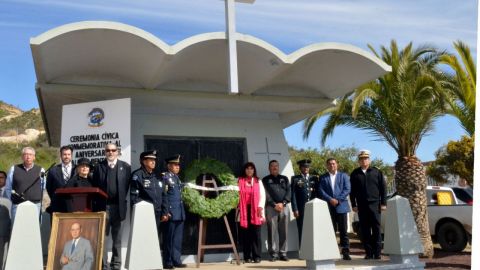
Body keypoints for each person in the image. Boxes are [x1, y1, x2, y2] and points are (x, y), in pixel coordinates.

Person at [92, 143, 131, 270]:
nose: (110, 152)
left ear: (117, 152)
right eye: (108, 150)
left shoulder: (125, 167)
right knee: (102, 239)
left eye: (113, 150)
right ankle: (103, 265)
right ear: (105, 152)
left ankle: (116, 265)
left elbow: (126, 187)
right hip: (103, 207)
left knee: (117, 239)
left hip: (118, 208)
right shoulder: (99, 167)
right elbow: (95, 186)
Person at [349, 150, 386, 260]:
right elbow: (352, 191)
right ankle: (369, 253)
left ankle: (378, 253)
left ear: (369, 160)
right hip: (362, 206)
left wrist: (383, 203)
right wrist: (353, 204)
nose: (363, 161)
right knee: (365, 230)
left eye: (365, 158)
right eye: (361, 159)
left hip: (375, 205)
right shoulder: (355, 173)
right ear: (359, 161)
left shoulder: (376, 172)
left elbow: (383, 188)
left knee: (376, 229)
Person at [130, 151, 168, 247]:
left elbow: (164, 195)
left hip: (158, 213)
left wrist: (165, 212)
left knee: (156, 239)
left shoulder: (158, 176)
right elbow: (134, 197)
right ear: (144, 161)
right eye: (150, 160)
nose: (153, 162)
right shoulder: (137, 175)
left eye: (154, 160)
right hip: (145, 214)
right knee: (144, 240)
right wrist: (144, 210)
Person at [317, 158, 352, 260]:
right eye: (329, 164)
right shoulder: (323, 178)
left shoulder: (344, 176)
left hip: (341, 206)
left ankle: (345, 251)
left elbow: (347, 189)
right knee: (331, 230)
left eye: (333, 163)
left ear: (337, 164)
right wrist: (330, 199)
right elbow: (321, 190)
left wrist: (337, 200)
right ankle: (331, 251)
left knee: (343, 231)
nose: (332, 165)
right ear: (327, 166)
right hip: (329, 206)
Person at [4, 146, 45, 221]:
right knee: (17, 230)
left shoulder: (41, 170)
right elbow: (8, 187)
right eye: (25, 154)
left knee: (34, 230)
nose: (28, 157)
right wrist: (13, 200)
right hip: (18, 205)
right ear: (22, 157)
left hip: (35, 205)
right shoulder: (14, 169)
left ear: (34, 157)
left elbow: (43, 186)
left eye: (30, 154)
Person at [262, 160, 291, 262]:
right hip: (271, 208)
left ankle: (283, 253)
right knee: (271, 231)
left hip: (284, 207)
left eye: (276, 166)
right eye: (272, 166)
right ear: (269, 168)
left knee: (284, 231)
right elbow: (265, 194)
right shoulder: (265, 180)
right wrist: (274, 204)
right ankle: (273, 254)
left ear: (279, 167)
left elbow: (289, 191)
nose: (274, 168)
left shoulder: (284, 178)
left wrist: (283, 203)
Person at [161, 154, 187, 269]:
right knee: (168, 239)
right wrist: (166, 212)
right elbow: (164, 196)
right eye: (175, 165)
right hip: (171, 213)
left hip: (179, 213)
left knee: (177, 239)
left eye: (178, 165)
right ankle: (168, 262)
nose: (177, 167)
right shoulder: (165, 177)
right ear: (169, 166)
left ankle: (177, 260)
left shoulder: (177, 178)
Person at [237, 162, 265, 264]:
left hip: (256, 210)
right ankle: (247, 256)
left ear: (254, 170)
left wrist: (260, 207)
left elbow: (262, 195)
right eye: (247, 168)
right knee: (246, 235)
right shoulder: (239, 181)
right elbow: (236, 195)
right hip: (244, 211)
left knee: (256, 235)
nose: (249, 170)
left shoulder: (258, 181)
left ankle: (257, 256)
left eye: (251, 169)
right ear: (245, 170)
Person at [290, 159, 318, 245]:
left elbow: (317, 193)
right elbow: (293, 195)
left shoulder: (314, 178)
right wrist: (295, 209)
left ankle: (313, 248)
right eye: (303, 167)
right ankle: (302, 250)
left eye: (307, 167)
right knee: (302, 229)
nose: (306, 168)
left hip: (313, 208)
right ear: (300, 168)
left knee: (313, 229)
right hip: (301, 209)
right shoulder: (295, 179)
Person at [47, 145, 75, 213]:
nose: (66, 156)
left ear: (71, 155)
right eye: (64, 154)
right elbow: (49, 187)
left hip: (73, 204)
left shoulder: (77, 169)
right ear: (61, 155)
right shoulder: (53, 170)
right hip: (57, 205)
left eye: (69, 154)